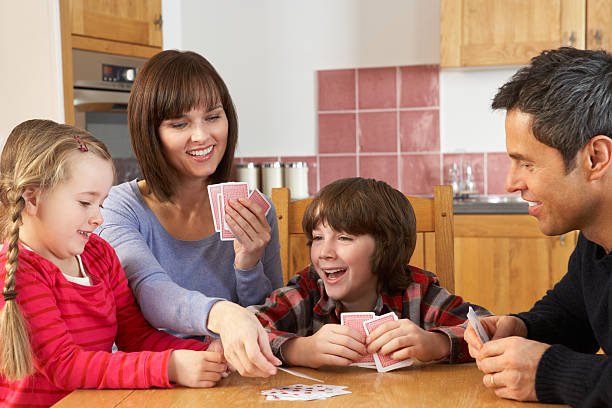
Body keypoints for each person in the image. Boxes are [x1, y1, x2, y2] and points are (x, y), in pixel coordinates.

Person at [0, 120, 228, 407]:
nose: (98, 218)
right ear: (32, 199)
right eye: (85, 203)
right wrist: (168, 366)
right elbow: (65, 365)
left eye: (101, 203)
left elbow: (135, 335)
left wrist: (203, 352)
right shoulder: (19, 271)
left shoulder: (100, 255)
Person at [96, 50, 284, 378]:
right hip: (148, 381)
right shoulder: (120, 208)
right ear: (150, 132)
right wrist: (222, 314)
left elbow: (275, 316)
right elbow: (150, 291)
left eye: (213, 117)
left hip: (229, 379)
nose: (202, 136)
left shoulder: (254, 208)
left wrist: (248, 263)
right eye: (180, 123)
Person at [464, 47, 612, 407]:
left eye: (526, 163)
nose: (511, 183)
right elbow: (571, 316)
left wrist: (548, 373)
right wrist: (523, 327)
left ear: (595, 158)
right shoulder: (594, 242)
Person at [249, 177, 490, 367]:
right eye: (318, 238)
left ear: (386, 246)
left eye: (344, 237)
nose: (324, 252)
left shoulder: (417, 291)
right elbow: (247, 328)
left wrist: (436, 343)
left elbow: (488, 328)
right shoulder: (308, 288)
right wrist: (301, 350)